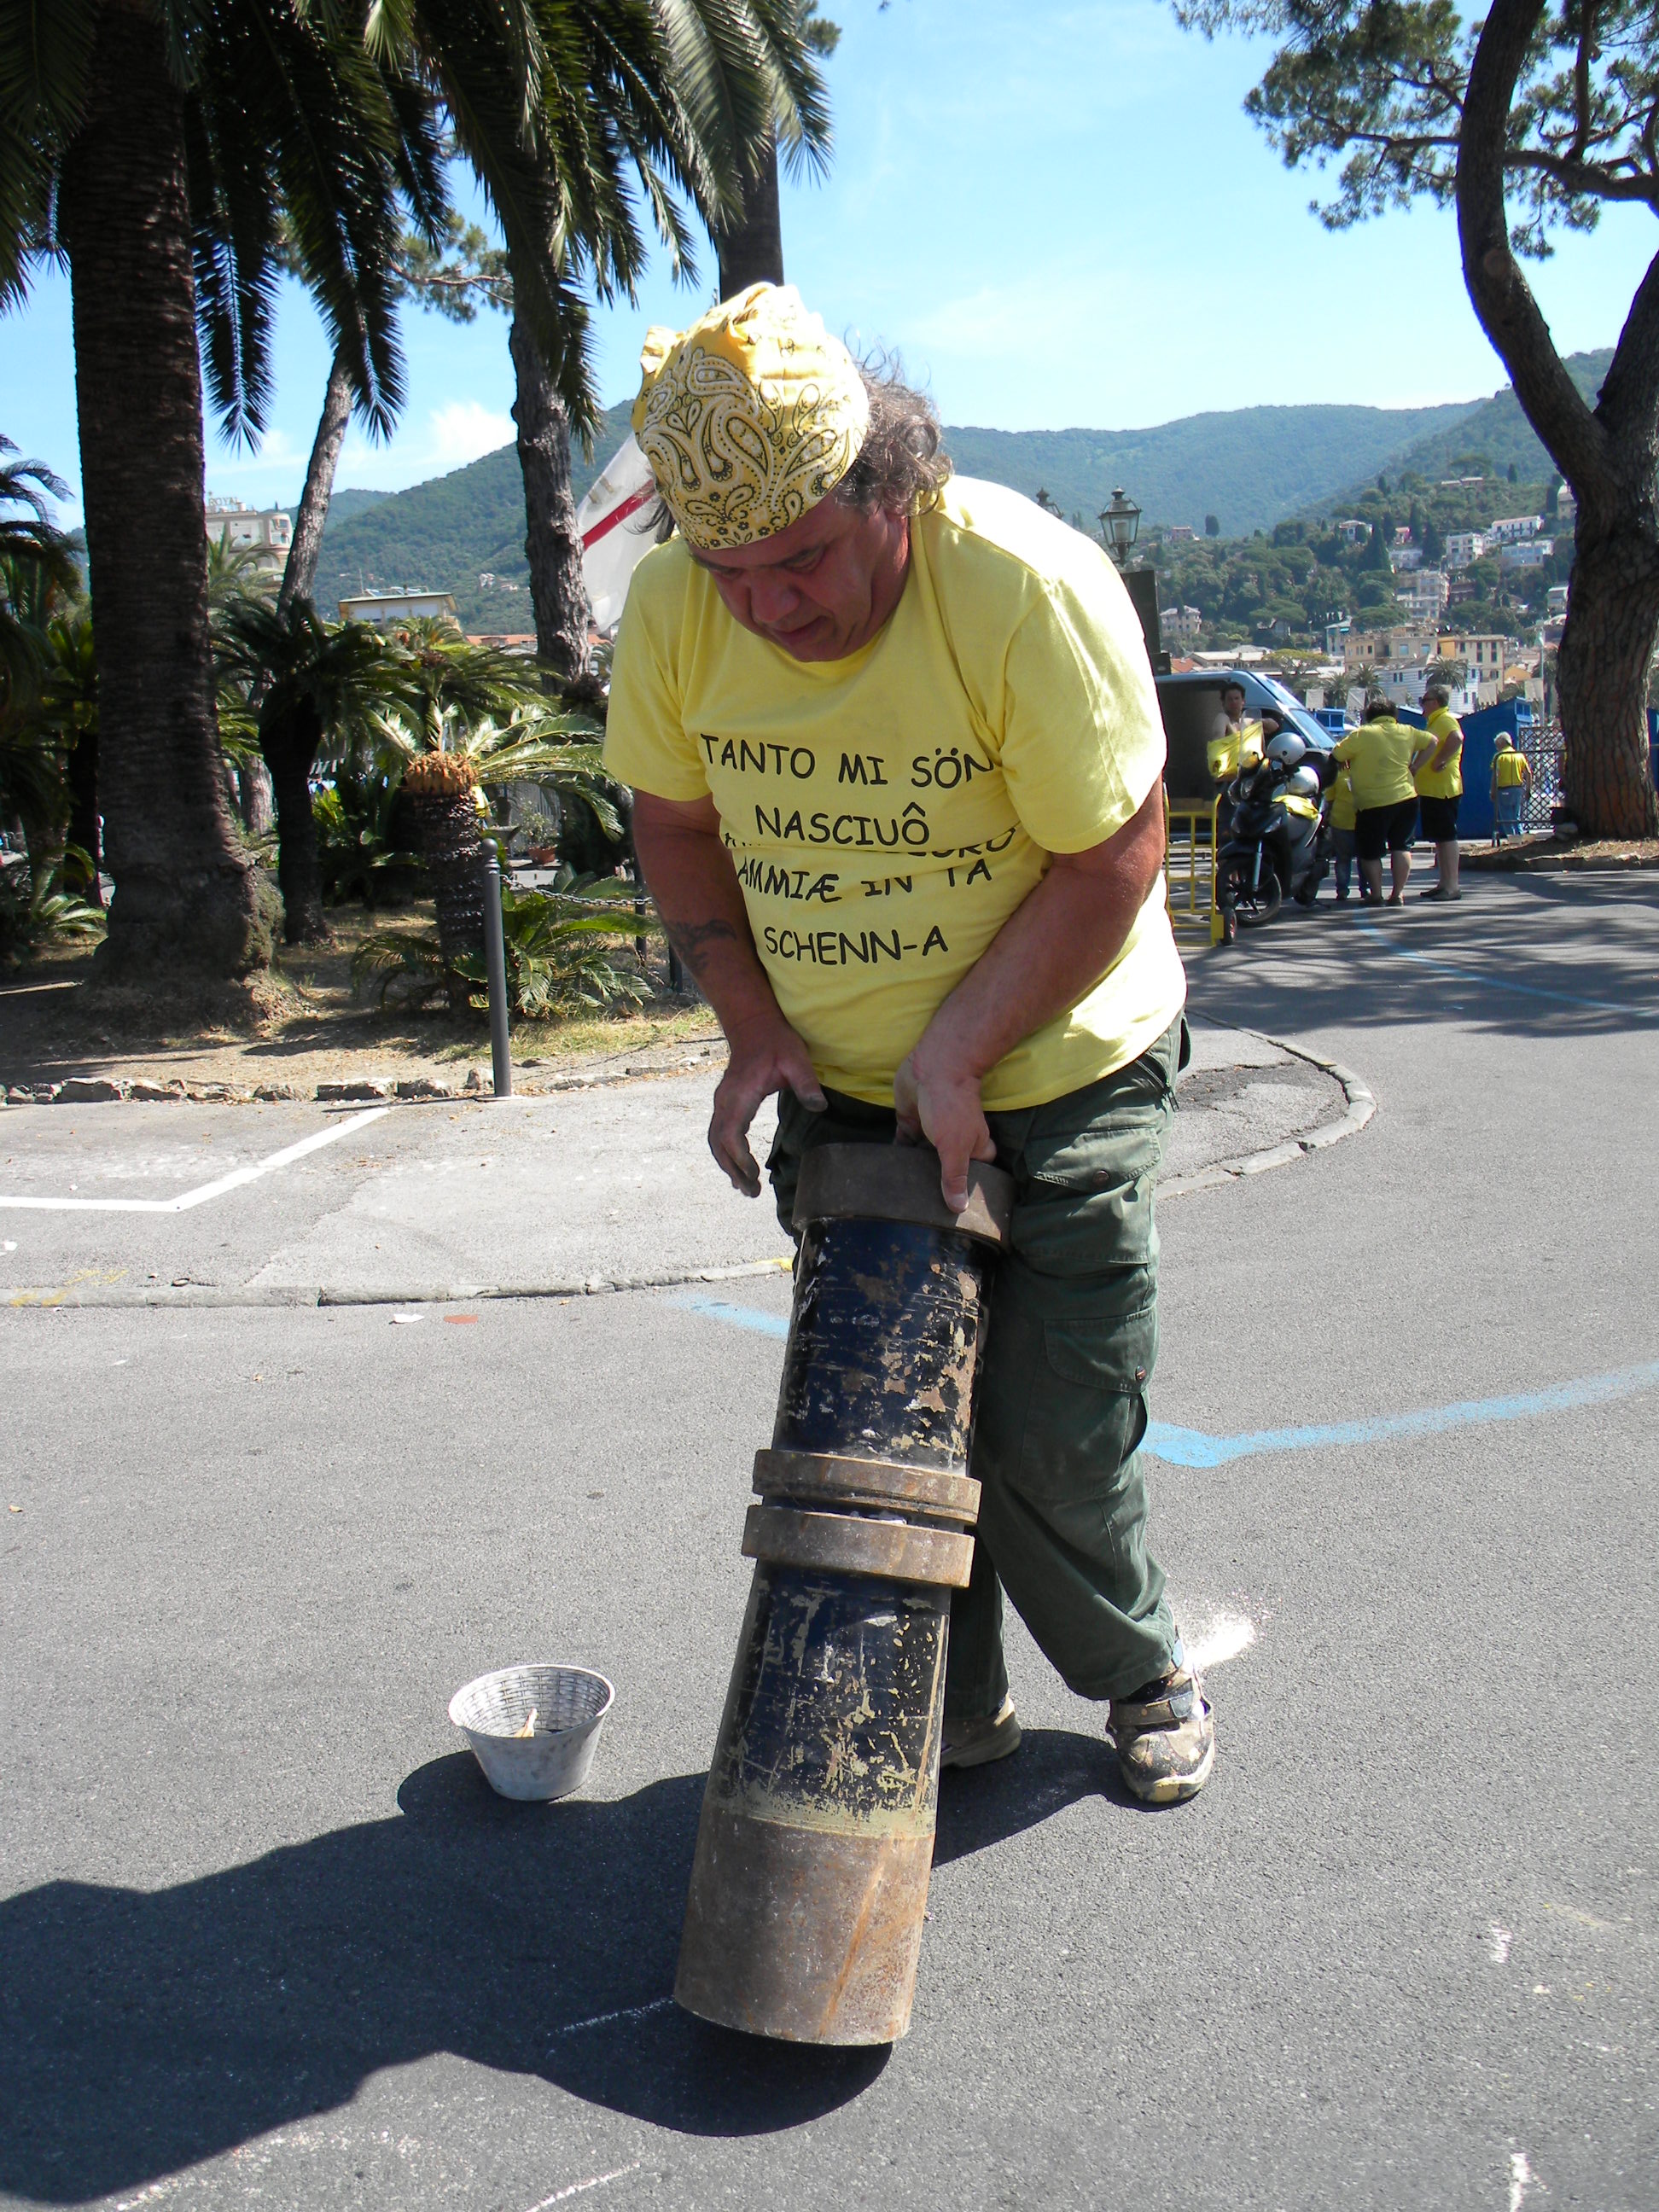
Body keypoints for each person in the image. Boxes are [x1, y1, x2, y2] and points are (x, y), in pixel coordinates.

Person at [605, 284, 1214, 1804]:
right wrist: (748, 1027)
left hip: (1064, 1071)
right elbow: (672, 821)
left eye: (801, 559)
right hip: (849, 1094)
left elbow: (1112, 855)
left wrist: (957, 1050)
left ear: (894, 484)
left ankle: (1138, 1669)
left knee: (1046, 1427)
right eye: (725, 569)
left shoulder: (1019, 584)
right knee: (884, 1428)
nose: (766, 610)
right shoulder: (680, 610)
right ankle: (953, 1698)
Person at [1332, 695, 1432, 906]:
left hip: (1372, 802)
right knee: (1401, 847)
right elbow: (1433, 741)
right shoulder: (1408, 731)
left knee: (1370, 851)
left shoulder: (1362, 734)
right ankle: (1397, 894)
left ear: (1369, 716)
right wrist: (1415, 766)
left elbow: (1337, 754)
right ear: (1393, 715)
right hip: (1406, 798)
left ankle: (1376, 894)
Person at [1415, 684, 1464, 900]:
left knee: (1447, 836)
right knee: (1440, 838)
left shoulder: (1444, 719)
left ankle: (1452, 886)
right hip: (1433, 790)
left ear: (1435, 703)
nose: (1422, 706)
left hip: (1443, 789)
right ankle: (1444, 883)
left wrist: (1441, 759)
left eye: (1423, 701)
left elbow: (1457, 738)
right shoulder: (1435, 722)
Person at [1325, 754, 1360, 901]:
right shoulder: (1338, 774)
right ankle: (1342, 889)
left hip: (1361, 822)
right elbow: (1329, 799)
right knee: (1343, 858)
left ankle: (1366, 888)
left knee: (1364, 859)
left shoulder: (1364, 772)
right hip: (1342, 822)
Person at [1491, 731, 1534, 842]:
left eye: (1497, 745)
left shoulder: (1499, 757)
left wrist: (1493, 791)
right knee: (1516, 817)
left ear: (1501, 743)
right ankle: (1520, 839)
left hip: (1504, 789)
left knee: (1506, 818)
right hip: (1518, 789)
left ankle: (1512, 840)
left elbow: (1495, 775)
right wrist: (1528, 789)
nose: (1496, 747)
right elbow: (1528, 773)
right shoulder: (1519, 755)